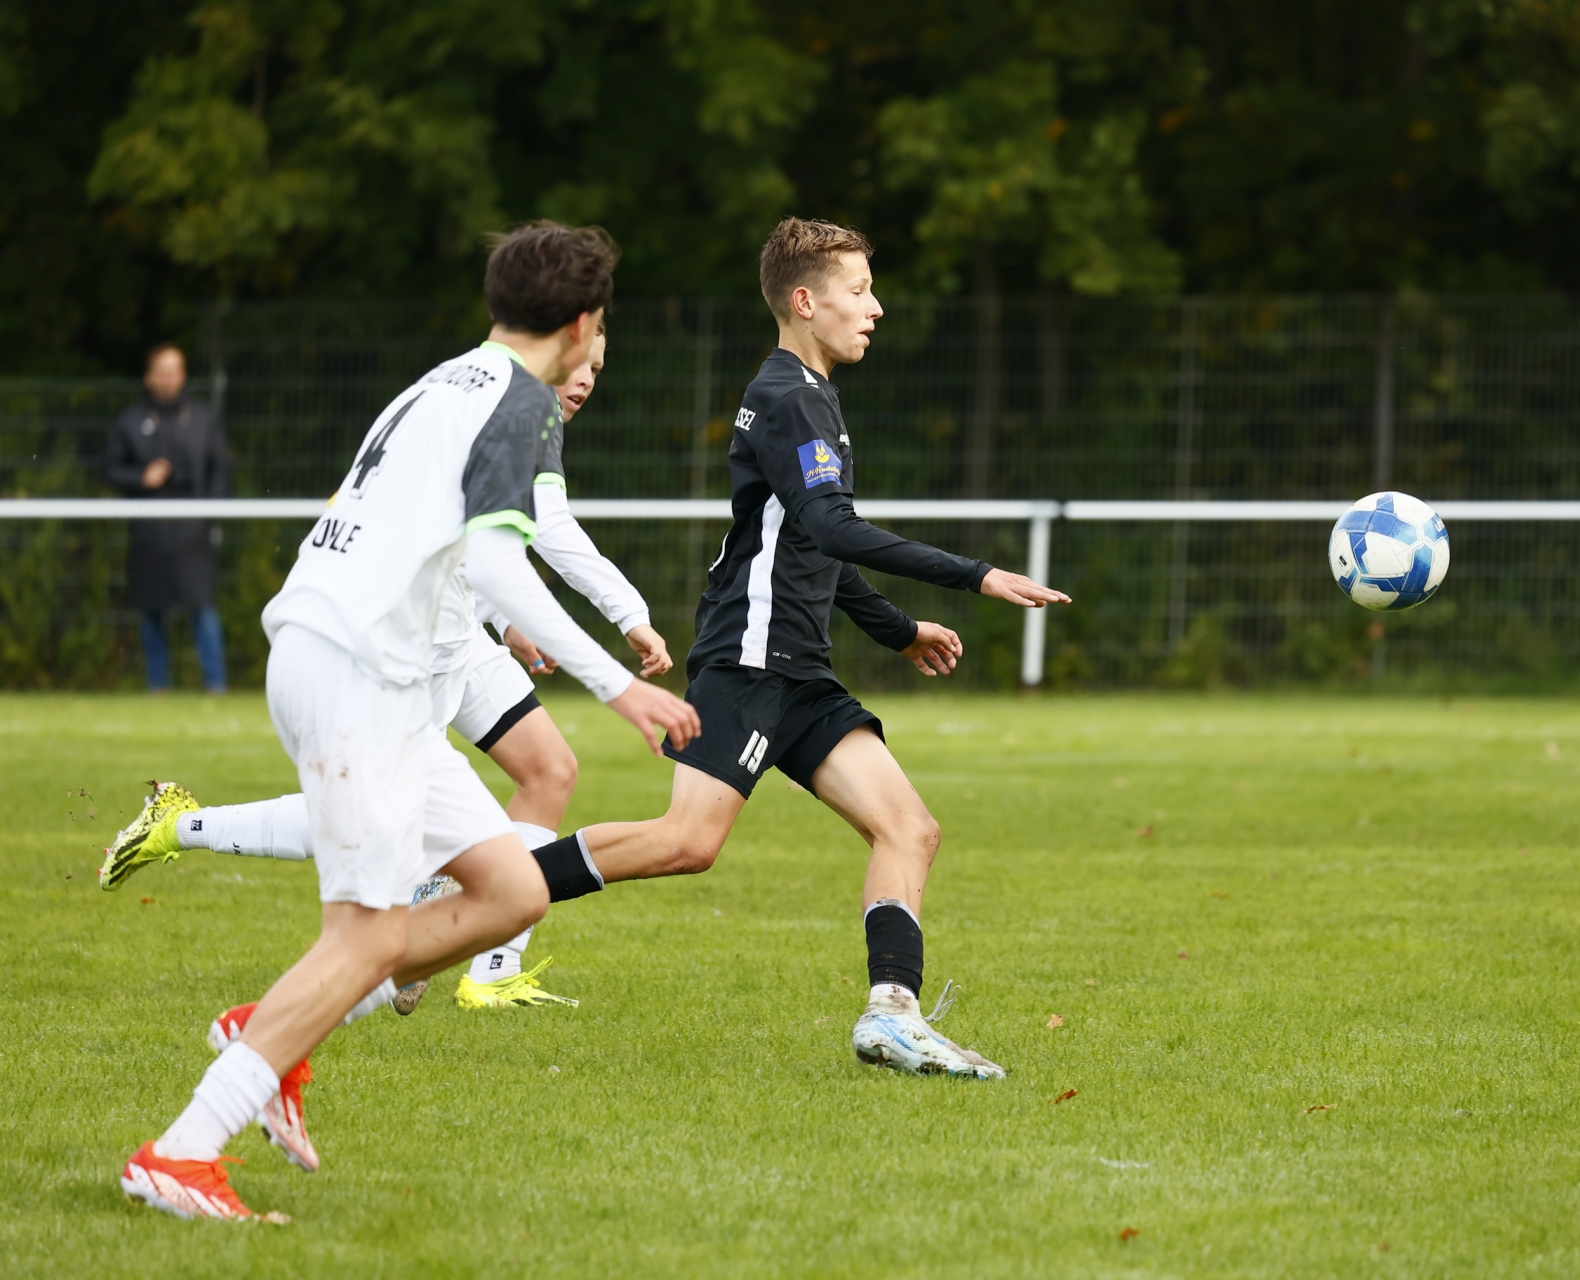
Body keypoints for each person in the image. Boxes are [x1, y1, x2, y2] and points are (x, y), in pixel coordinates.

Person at [116, 222, 700, 1223]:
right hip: (357, 673)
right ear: (581, 322)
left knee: (512, 888)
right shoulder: (521, 402)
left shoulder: (439, 382)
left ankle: (273, 1030)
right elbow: (501, 558)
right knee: (368, 934)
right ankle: (181, 1150)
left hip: (352, 663)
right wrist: (619, 685)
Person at [520, 217, 1069, 1079]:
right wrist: (976, 575)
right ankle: (488, 884)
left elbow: (813, 545)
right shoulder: (788, 397)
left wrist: (898, 630)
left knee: (909, 828)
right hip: (748, 660)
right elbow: (832, 526)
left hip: (800, 672)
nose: (875, 308)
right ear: (806, 301)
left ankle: (892, 1015)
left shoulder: (811, 393)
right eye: (859, 291)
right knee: (686, 843)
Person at [99, 323, 673, 1014]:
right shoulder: (522, 399)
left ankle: (491, 969)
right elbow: (548, 527)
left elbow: (472, 534)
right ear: (560, 335)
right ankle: (185, 826)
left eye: (598, 372)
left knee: (550, 768)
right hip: (407, 649)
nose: (584, 380)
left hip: (457, 638)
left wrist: (504, 621)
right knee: (370, 816)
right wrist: (629, 617)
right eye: (583, 361)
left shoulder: (468, 387)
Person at [102, 342, 232, 693]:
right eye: (162, 372)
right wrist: (141, 477)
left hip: (194, 531)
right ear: (149, 377)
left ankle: (216, 686)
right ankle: (158, 686)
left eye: (174, 371)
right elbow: (110, 468)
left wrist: (212, 513)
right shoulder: (131, 421)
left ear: (183, 375)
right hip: (149, 531)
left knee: (203, 609)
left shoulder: (203, 419)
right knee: (152, 610)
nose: (169, 378)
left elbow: (221, 470)